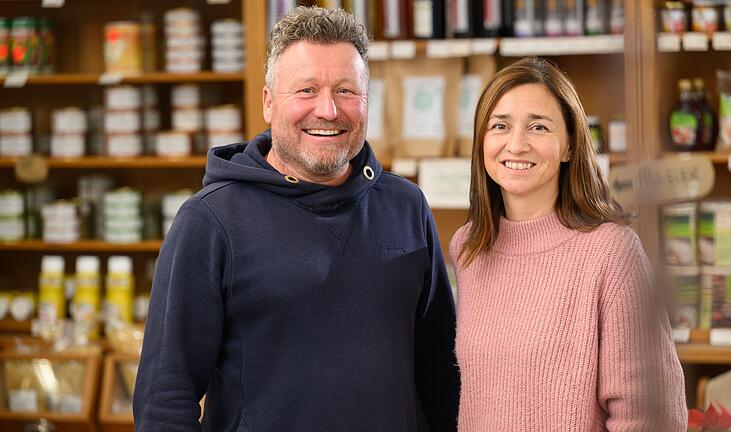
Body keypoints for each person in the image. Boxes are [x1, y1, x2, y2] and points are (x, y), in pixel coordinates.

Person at [133, 7, 460, 431]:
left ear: (366, 100)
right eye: (306, 90)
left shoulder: (406, 206)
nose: (327, 110)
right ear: (269, 102)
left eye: (346, 90)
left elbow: (442, 372)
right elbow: (165, 398)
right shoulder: (210, 222)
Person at [449, 57, 687, 431]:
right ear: (482, 141)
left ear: (570, 147)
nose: (517, 144)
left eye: (538, 127)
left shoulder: (611, 252)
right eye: (500, 126)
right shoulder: (470, 248)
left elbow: (651, 416)